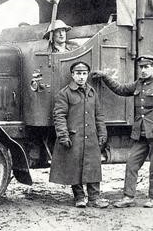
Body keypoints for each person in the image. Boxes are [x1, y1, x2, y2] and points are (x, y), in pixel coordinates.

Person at [91, 55, 153, 208]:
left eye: (146, 67)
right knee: (131, 164)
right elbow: (120, 89)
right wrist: (105, 77)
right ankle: (128, 197)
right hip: (141, 135)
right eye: (141, 67)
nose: (143, 70)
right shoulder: (139, 85)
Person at [49, 61, 109, 208]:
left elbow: (99, 115)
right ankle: (79, 197)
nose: (81, 77)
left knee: (93, 167)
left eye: (83, 74)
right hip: (74, 137)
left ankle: (94, 199)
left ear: (87, 75)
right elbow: (59, 116)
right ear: (72, 75)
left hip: (91, 137)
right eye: (78, 74)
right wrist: (63, 135)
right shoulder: (65, 93)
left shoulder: (92, 92)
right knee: (74, 167)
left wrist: (102, 133)